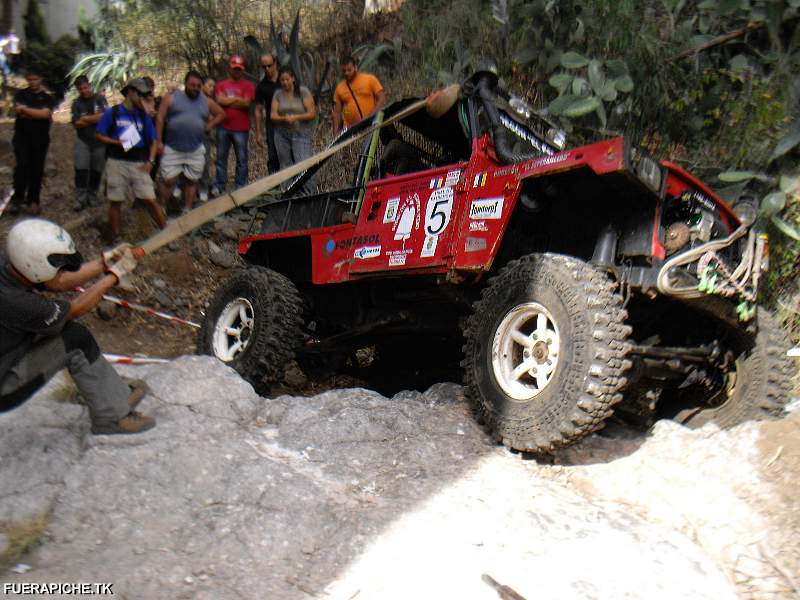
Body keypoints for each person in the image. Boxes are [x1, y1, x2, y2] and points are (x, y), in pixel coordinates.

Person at [0, 218, 155, 434]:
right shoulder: (16, 302)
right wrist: (114, 275)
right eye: (59, 269)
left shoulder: (9, 264)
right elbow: (73, 309)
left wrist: (105, 261)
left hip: (8, 349)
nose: (62, 273)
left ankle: (114, 393)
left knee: (67, 334)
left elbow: (57, 281)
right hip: (5, 387)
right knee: (75, 339)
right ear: (34, 268)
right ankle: (110, 418)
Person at [95, 78, 166, 243]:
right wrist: (116, 142)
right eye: (140, 94)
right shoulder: (112, 113)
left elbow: (153, 140)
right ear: (131, 92)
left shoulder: (143, 116)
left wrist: (151, 160)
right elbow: (99, 135)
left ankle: (166, 232)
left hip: (139, 161)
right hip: (116, 160)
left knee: (149, 198)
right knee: (116, 199)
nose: (143, 98)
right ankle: (116, 236)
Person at [156, 71, 225, 214]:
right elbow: (160, 118)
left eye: (198, 86)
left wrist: (209, 126)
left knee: (191, 180)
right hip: (173, 147)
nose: (195, 88)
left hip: (195, 147)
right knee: (168, 180)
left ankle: (187, 209)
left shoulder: (206, 101)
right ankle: (161, 207)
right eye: (192, 85)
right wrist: (158, 141)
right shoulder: (172, 98)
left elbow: (221, 114)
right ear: (186, 84)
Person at [8, 69, 56, 216]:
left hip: (40, 138)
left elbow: (46, 114)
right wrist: (36, 113)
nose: (33, 82)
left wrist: (26, 111)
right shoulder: (21, 94)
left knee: (37, 168)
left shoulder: (47, 98)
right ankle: (17, 199)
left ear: (40, 79)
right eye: (30, 79)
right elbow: (19, 111)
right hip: (22, 137)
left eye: (35, 79)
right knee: (22, 165)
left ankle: (33, 200)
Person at [213, 55, 255, 194]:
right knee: (221, 157)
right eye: (235, 68)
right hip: (223, 126)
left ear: (242, 70)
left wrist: (229, 99)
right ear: (230, 68)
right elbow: (220, 101)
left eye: (239, 69)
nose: (237, 71)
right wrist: (238, 99)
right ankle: (219, 185)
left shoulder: (249, 85)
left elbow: (247, 103)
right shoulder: (221, 85)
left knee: (242, 159)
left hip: (241, 128)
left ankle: (241, 186)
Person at [271, 66, 316, 193]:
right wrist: (284, 118)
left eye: (287, 79)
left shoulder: (303, 92)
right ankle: (288, 192)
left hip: (300, 132)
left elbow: (312, 113)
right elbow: (273, 115)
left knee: (303, 163)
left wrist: (296, 117)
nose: (285, 82)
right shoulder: (278, 94)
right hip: (281, 133)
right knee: (285, 164)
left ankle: (309, 192)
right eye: (282, 80)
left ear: (293, 79)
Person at [70, 75, 108, 211]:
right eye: (80, 89)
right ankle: (80, 198)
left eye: (85, 87)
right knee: (81, 168)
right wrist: (93, 118)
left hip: (99, 141)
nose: (84, 91)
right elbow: (76, 123)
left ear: (89, 85)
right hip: (83, 140)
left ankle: (92, 195)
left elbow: (103, 117)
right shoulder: (76, 103)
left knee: (96, 170)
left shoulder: (99, 99)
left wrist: (85, 118)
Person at [332, 56, 386, 135]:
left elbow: (382, 99)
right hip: (351, 130)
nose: (346, 73)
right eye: (344, 71)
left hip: (372, 123)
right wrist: (336, 134)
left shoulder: (369, 79)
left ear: (355, 67)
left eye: (349, 70)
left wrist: (372, 116)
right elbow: (337, 113)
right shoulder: (339, 88)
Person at [254, 53, 280, 174]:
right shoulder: (261, 86)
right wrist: (258, 133)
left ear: (275, 64)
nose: (267, 69)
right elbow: (258, 110)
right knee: (273, 155)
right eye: (264, 67)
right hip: (272, 125)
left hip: (290, 121)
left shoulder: (286, 78)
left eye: (269, 66)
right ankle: (275, 187)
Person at [198, 76, 217, 201]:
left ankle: (203, 188)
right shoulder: (194, 99)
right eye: (209, 85)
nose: (212, 88)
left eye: (213, 86)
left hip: (206, 135)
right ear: (202, 85)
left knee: (205, 163)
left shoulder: (210, 101)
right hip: (192, 135)